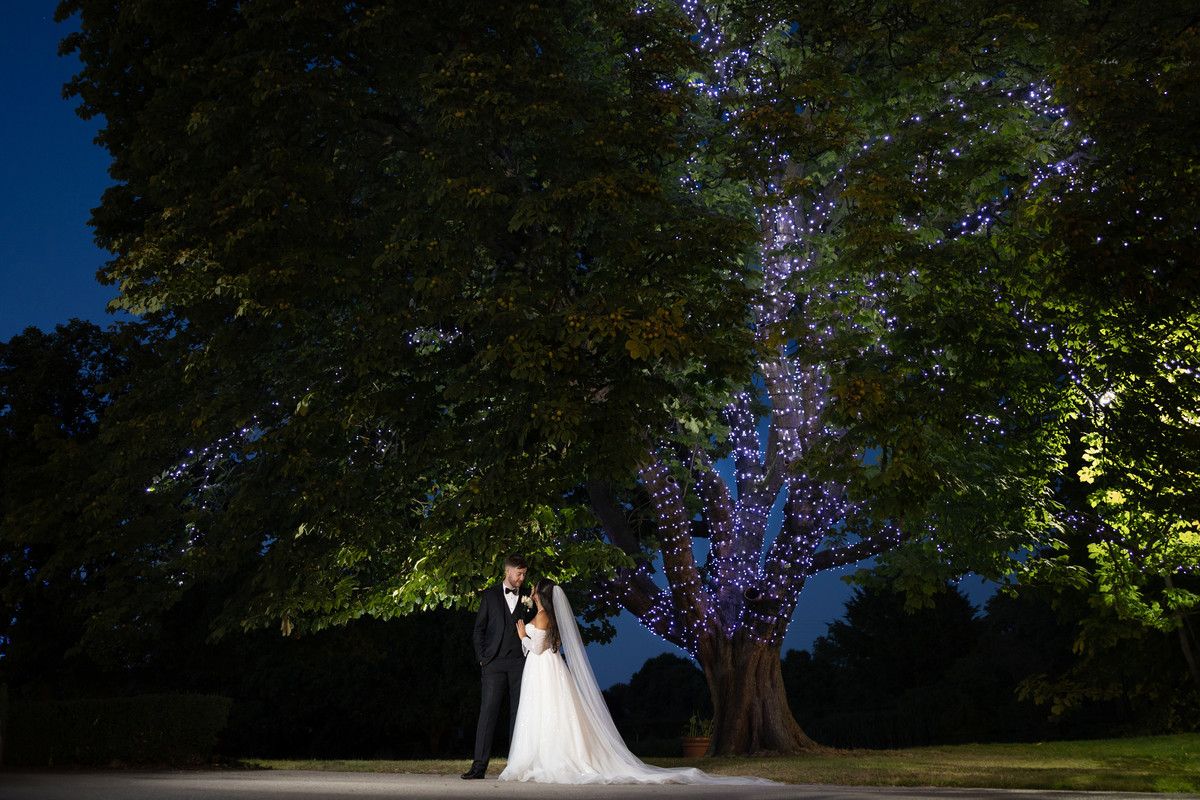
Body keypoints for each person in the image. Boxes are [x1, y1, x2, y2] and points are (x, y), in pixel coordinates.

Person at [499, 578, 774, 785]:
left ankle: (548, 757)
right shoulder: (546, 615)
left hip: (543, 668)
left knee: (546, 711)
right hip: (544, 669)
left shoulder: (544, 616)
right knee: (546, 712)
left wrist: (523, 634)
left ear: (540, 595)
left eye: (534, 588)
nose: (531, 590)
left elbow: (536, 648)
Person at [462, 555, 538, 780]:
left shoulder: (527, 596)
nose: (522, 578)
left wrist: (533, 602)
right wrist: (482, 657)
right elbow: (479, 630)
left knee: (519, 715)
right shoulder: (490, 595)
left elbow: (535, 624)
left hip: (519, 662)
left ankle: (516, 768)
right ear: (507, 572)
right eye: (519, 574)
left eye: (524, 574)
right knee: (488, 714)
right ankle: (478, 768)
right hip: (493, 663)